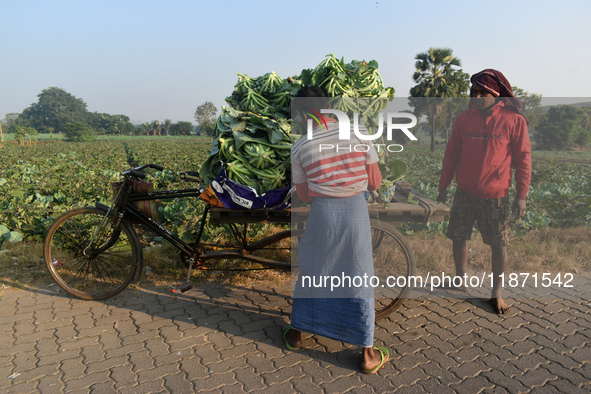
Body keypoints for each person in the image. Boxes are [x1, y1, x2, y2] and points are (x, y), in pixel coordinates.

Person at [285, 86, 388, 374]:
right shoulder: (360, 132)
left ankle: (296, 335)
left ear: (303, 114)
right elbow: (375, 181)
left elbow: (304, 194)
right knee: (358, 274)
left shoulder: (300, 146)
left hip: (322, 214)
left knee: (313, 271)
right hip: (355, 212)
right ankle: (367, 355)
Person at [436, 69, 532, 314]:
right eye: (474, 92)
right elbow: (451, 155)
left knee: (498, 244)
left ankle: (496, 293)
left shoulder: (514, 121)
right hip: (465, 191)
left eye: (483, 93)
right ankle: (460, 280)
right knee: (459, 236)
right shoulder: (463, 119)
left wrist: (522, 196)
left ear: (496, 94)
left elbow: (523, 159)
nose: (477, 97)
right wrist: (443, 188)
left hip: (496, 196)